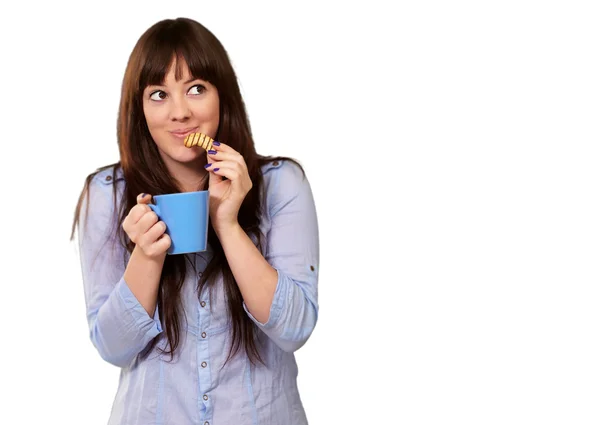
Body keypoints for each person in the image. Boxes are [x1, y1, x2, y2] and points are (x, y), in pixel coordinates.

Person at [71, 17, 319, 425]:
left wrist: (228, 224)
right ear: (139, 108)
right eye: (158, 94)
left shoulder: (280, 184)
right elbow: (113, 348)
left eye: (196, 89)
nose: (180, 112)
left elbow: (294, 329)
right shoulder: (107, 193)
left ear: (223, 95)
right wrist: (146, 257)